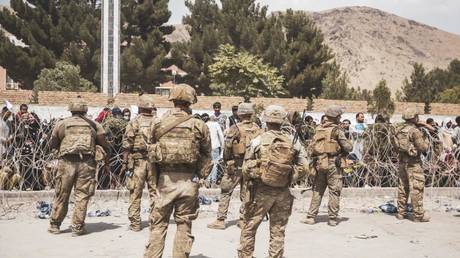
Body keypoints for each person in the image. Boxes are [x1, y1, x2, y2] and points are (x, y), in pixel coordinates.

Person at [144, 84, 212, 258]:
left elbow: (151, 154)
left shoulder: (157, 123)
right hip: (189, 182)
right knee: (184, 224)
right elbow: (206, 154)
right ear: (191, 101)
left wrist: (154, 183)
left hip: (164, 181)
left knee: (158, 225)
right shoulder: (199, 125)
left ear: (172, 100)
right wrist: (200, 176)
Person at [238, 105, 308, 258]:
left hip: (260, 191)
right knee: (278, 230)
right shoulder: (292, 142)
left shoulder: (257, 140)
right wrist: (288, 176)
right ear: (283, 121)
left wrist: (261, 173)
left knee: (249, 227)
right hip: (283, 192)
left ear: (265, 120)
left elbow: (245, 169)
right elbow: (305, 167)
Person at [48, 97, 109, 236]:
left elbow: (52, 143)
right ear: (85, 110)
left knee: (62, 194)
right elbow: (103, 142)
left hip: (66, 163)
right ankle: (77, 227)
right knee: (82, 195)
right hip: (87, 164)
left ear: (70, 110)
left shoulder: (62, 124)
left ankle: (55, 225)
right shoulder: (94, 125)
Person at [207, 102, 262, 230]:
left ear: (240, 114)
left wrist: (227, 160)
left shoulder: (235, 128)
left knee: (226, 191)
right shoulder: (258, 128)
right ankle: (244, 219)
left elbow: (227, 147)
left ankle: (221, 220)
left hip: (236, 165)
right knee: (247, 192)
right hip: (251, 165)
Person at [301, 106, 352, 226]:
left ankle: (311, 216)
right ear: (336, 117)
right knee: (334, 191)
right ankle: (332, 218)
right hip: (333, 163)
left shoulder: (318, 129)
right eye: (339, 116)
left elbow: (312, 147)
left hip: (319, 163)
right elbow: (348, 147)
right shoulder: (337, 130)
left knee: (317, 190)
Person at [122, 96, 158, 231]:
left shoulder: (134, 122)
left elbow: (127, 144)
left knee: (135, 192)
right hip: (154, 162)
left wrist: (125, 162)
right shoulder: (158, 122)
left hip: (137, 162)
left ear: (140, 108)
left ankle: (135, 223)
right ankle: (155, 222)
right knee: (154, 192)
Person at [395, 110, 431, 222]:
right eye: (417, 116)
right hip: (413, 163)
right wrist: (426, 138)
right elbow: (423, 148)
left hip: (402, 162)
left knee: (403, 188)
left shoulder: (398, 130)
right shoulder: (414, 131)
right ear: (413, 117)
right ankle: (418, 215)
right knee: (416, 188)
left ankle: (401, 213)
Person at [102, 107, 128, 188]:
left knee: (111, 167)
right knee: (121, 167)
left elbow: (103, 133)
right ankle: (121, 184)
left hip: (111, 149)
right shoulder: (126, 123)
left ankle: (114, 183)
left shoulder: (108, 122)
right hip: (122, 149)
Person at [205, 115, 225, 185]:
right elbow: (221, 135)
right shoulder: (216, 124)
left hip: (207, 146)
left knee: (208, 163)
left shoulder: (206, 124)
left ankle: (207, 180)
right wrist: (223, 145)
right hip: (215, 146)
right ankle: (213, 181)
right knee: (215, 164)